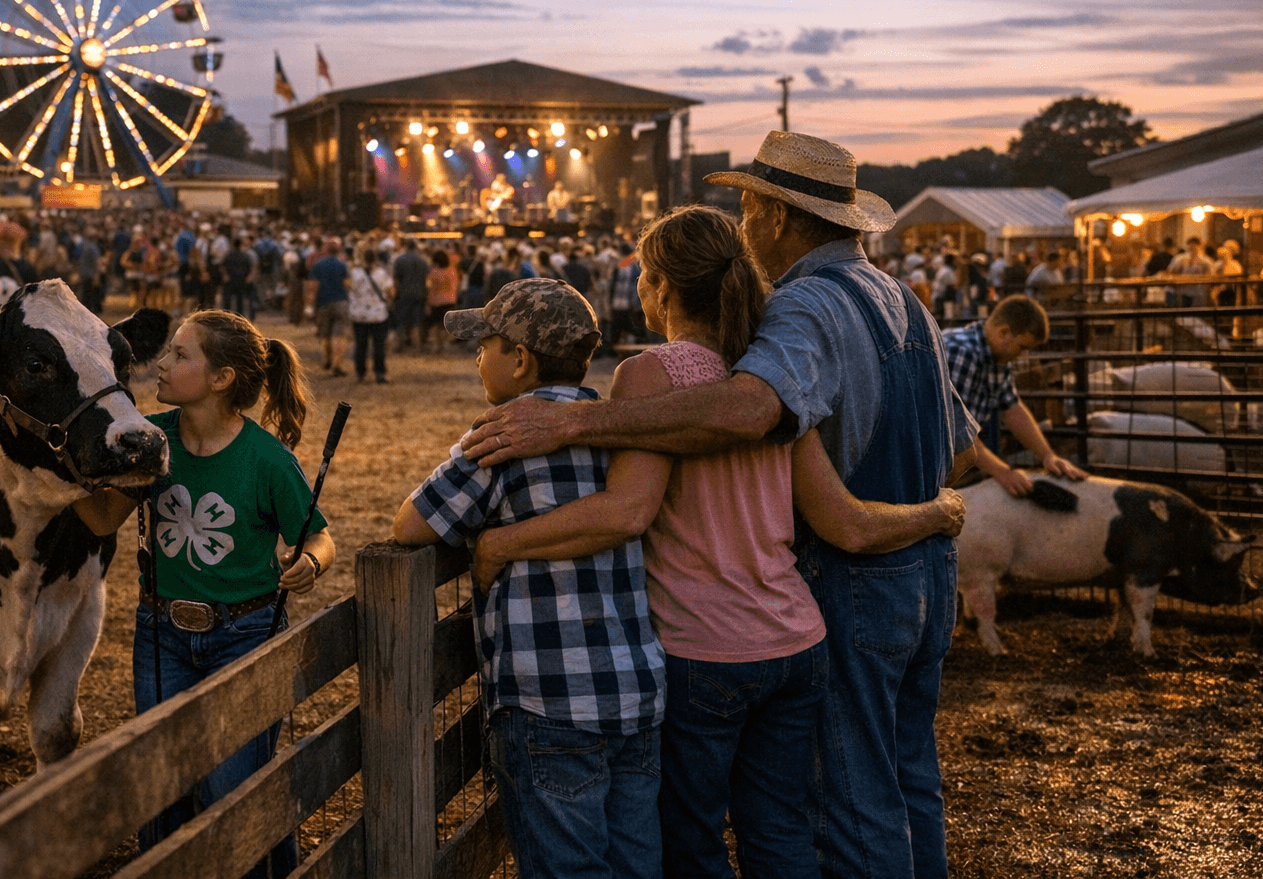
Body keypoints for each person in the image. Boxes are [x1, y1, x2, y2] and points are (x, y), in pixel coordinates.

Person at [460, 131, 976, 879]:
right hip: (914, 575)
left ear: (771, 214)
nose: (742, 220)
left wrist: (576, 420)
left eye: (746, 205)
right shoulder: (905, 300)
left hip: (818, 595)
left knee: (837, 798)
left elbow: (745, 412)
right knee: (900, 780)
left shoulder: (802, 308)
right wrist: (930, 514)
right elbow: (959, 448)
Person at [392, 278, 666, 879]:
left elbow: (411, 525)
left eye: (485, 345)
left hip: (548, 696)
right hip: (632, 685)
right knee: (637, 862)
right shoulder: (619, 425)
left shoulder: (503, 434)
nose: (477, 358)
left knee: (565, 866)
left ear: (519, 359)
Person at [74, 311, 335, 870]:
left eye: (180, 354)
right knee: (161, 787)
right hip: (160, 634)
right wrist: (55, 464)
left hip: (246, 635)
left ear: (220, 379)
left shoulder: (267, 461)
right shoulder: (151, 439)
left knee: (233, 788)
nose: (161, 363)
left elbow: (316, 535)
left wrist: (310, 561)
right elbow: (100, 519)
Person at [942, 295, 1088, 497]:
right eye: (1023, 347)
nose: (1025, 354)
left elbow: (1013, 410)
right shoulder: (963, 354)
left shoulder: (996, 356)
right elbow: (954, 429)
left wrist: (1047, 456)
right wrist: (1002, 472)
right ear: (1004, 332)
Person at [347, 245, 394, 383]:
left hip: (359, 313)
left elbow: (349, 288)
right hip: (378, 314)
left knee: (360, 345)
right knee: (379, 345)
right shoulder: (381, 273)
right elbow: (391, 291)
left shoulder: (354, 273)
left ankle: (360, 374)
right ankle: (380, 373)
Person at [306, 239, 350, 376]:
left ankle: (327, 359)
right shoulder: (342, 265)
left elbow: (312, 286)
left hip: (323, 302)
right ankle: (337, 364)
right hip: (341, 301)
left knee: (325, 334)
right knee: (340, 335)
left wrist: (309, 304)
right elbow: (347, 284)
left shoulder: (318, 265)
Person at [391, 237, 429, 351]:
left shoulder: (400, 260)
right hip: (419, 294)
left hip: (404, 293)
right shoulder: (423, 260)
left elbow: (396, 280)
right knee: (416, 321)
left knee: (401, 321)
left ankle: (399, 345)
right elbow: (426, 279)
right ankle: (417, 346)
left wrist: (396, 294)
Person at [424, 248, 459, 353]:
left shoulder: (434, 272)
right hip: (450, 299)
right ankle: (445, 344)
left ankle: (437, 344)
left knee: (435, 324)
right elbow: (456, 285)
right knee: (446, 325)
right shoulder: (452, 271)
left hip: (435, 301)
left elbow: (428, 286)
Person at [1169, 236, 1213, 307]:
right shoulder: (1180, 259)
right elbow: (1171, 271)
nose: (1192, 248)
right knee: (1184, 311)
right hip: (1184, 290)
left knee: (1197, 312)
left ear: (1199, 246)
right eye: (1190, 246)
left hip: (1199, 291)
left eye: (1194, 246)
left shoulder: (1206, 261)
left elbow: (1210, 275)